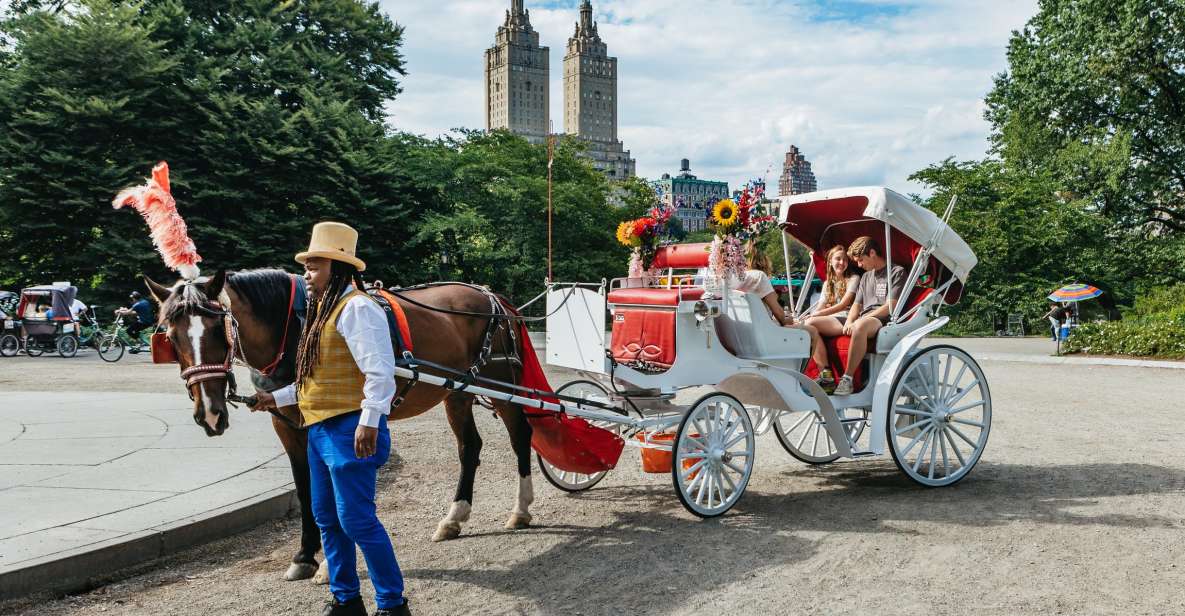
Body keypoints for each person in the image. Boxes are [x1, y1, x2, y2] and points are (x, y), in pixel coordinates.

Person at [251, 222, 410, 616]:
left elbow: (380, 372)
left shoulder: (357, 308)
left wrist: (370, 422)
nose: (306, 273)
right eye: (307, 266)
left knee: (356, 519)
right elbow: (315, 379)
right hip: (320, 429)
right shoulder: (323, 312)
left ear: (338, 269)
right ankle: (346, 600)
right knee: (327, 518)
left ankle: (392, 603)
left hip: (349, 428)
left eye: (315, 266)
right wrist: (274, 397)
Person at [830, 236, 906, 396]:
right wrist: (849, 321)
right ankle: (824, 374)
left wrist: (860, 320)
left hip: (880, 319)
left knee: (860, 326)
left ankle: (847, 379)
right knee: (814, 323)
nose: (859, 265)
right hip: (861, 318)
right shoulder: (866, 277)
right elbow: (856, 305)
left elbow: (889, 306)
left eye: (860, 260)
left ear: (872, 253)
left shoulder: (896, 272)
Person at [732, 242, 824, 361]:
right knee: (812, 331)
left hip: (742, 335)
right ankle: (801, 371)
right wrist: (790, 318)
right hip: (764, 334)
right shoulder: (759, 277)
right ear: (763, 258)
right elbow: (781, 318)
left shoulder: (735, 279)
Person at [803, 245, 862, 389]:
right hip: (832, 319)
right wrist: (808, 316)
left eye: (844, 260)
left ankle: (827, 376)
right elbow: (821, 306)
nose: (842, 262)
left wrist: (815, 316)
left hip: (847, 318)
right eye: (838, 259)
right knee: (808, 326)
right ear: (830, 261)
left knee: (811, 322)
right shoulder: (827, 283)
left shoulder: (853, 278)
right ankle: (825, 373)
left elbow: (843, 305)